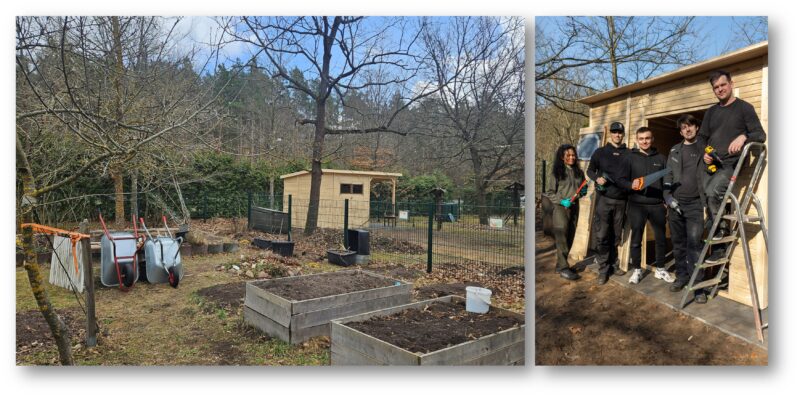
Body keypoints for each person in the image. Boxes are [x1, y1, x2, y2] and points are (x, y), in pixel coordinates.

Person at [699, 70, 767, 263]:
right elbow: (702, 138)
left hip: (731, 164)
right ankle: (716, 234)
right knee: (707, 196)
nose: (720, 89)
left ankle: (720, 241)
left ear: (731, 84)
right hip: (712, 163)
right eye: (716, 87)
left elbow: (760, 135)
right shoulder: (711, 112)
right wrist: (705, 152)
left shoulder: (744, 108)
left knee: (713, 193)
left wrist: (744, 136)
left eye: (723, 85)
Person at [664, 114, 707, 303]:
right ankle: (681, 277)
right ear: (680, 131)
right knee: (678, 244)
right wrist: (667, 197)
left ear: (696, 128)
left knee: (695, 246)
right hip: (675, 205)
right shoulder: (674, 150)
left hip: (696, 205)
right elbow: (668, 176)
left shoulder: (705, 148)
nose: (687, 130)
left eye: (690, 126)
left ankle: (698, 287)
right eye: (683, 127)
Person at [625, 127, 674, 285]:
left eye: (647, 138)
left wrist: (666, 199)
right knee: (636, 240)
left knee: (660, 238)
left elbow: (667, 180)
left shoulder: (661, 158)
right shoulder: (630, 158)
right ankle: (637, 270)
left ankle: (660, 269)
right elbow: (622, 179)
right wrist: (629, 185)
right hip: (636, 205)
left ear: (652, 139)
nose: (644, 141)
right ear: (637, 140)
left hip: (656, 205)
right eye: (641, 139)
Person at [586, 121, 630, 285]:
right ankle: (603, 269)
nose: (617, 135)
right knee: (602, 234)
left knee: (616, 236)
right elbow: (589, 170)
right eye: (614, 132)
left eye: (620, 132)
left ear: (623, 134)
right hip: (604, 200)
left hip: (621, 201)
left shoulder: (629, 154)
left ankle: (613, 264)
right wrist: (597, 178)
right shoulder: (600, 152)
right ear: (611, 134)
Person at [544, 144, 587, 280]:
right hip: (561, 208)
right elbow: (550, 192)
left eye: (573, 155)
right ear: (562, 157)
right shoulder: (557, 173)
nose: (571, 157)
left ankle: (560, 264)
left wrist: (583, 193)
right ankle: (563, 268)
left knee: (570, 236)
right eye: (568, 155)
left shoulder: (579, 173)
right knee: (562, 237)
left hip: (574, 207)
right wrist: (562, 201)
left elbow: (582, 188)